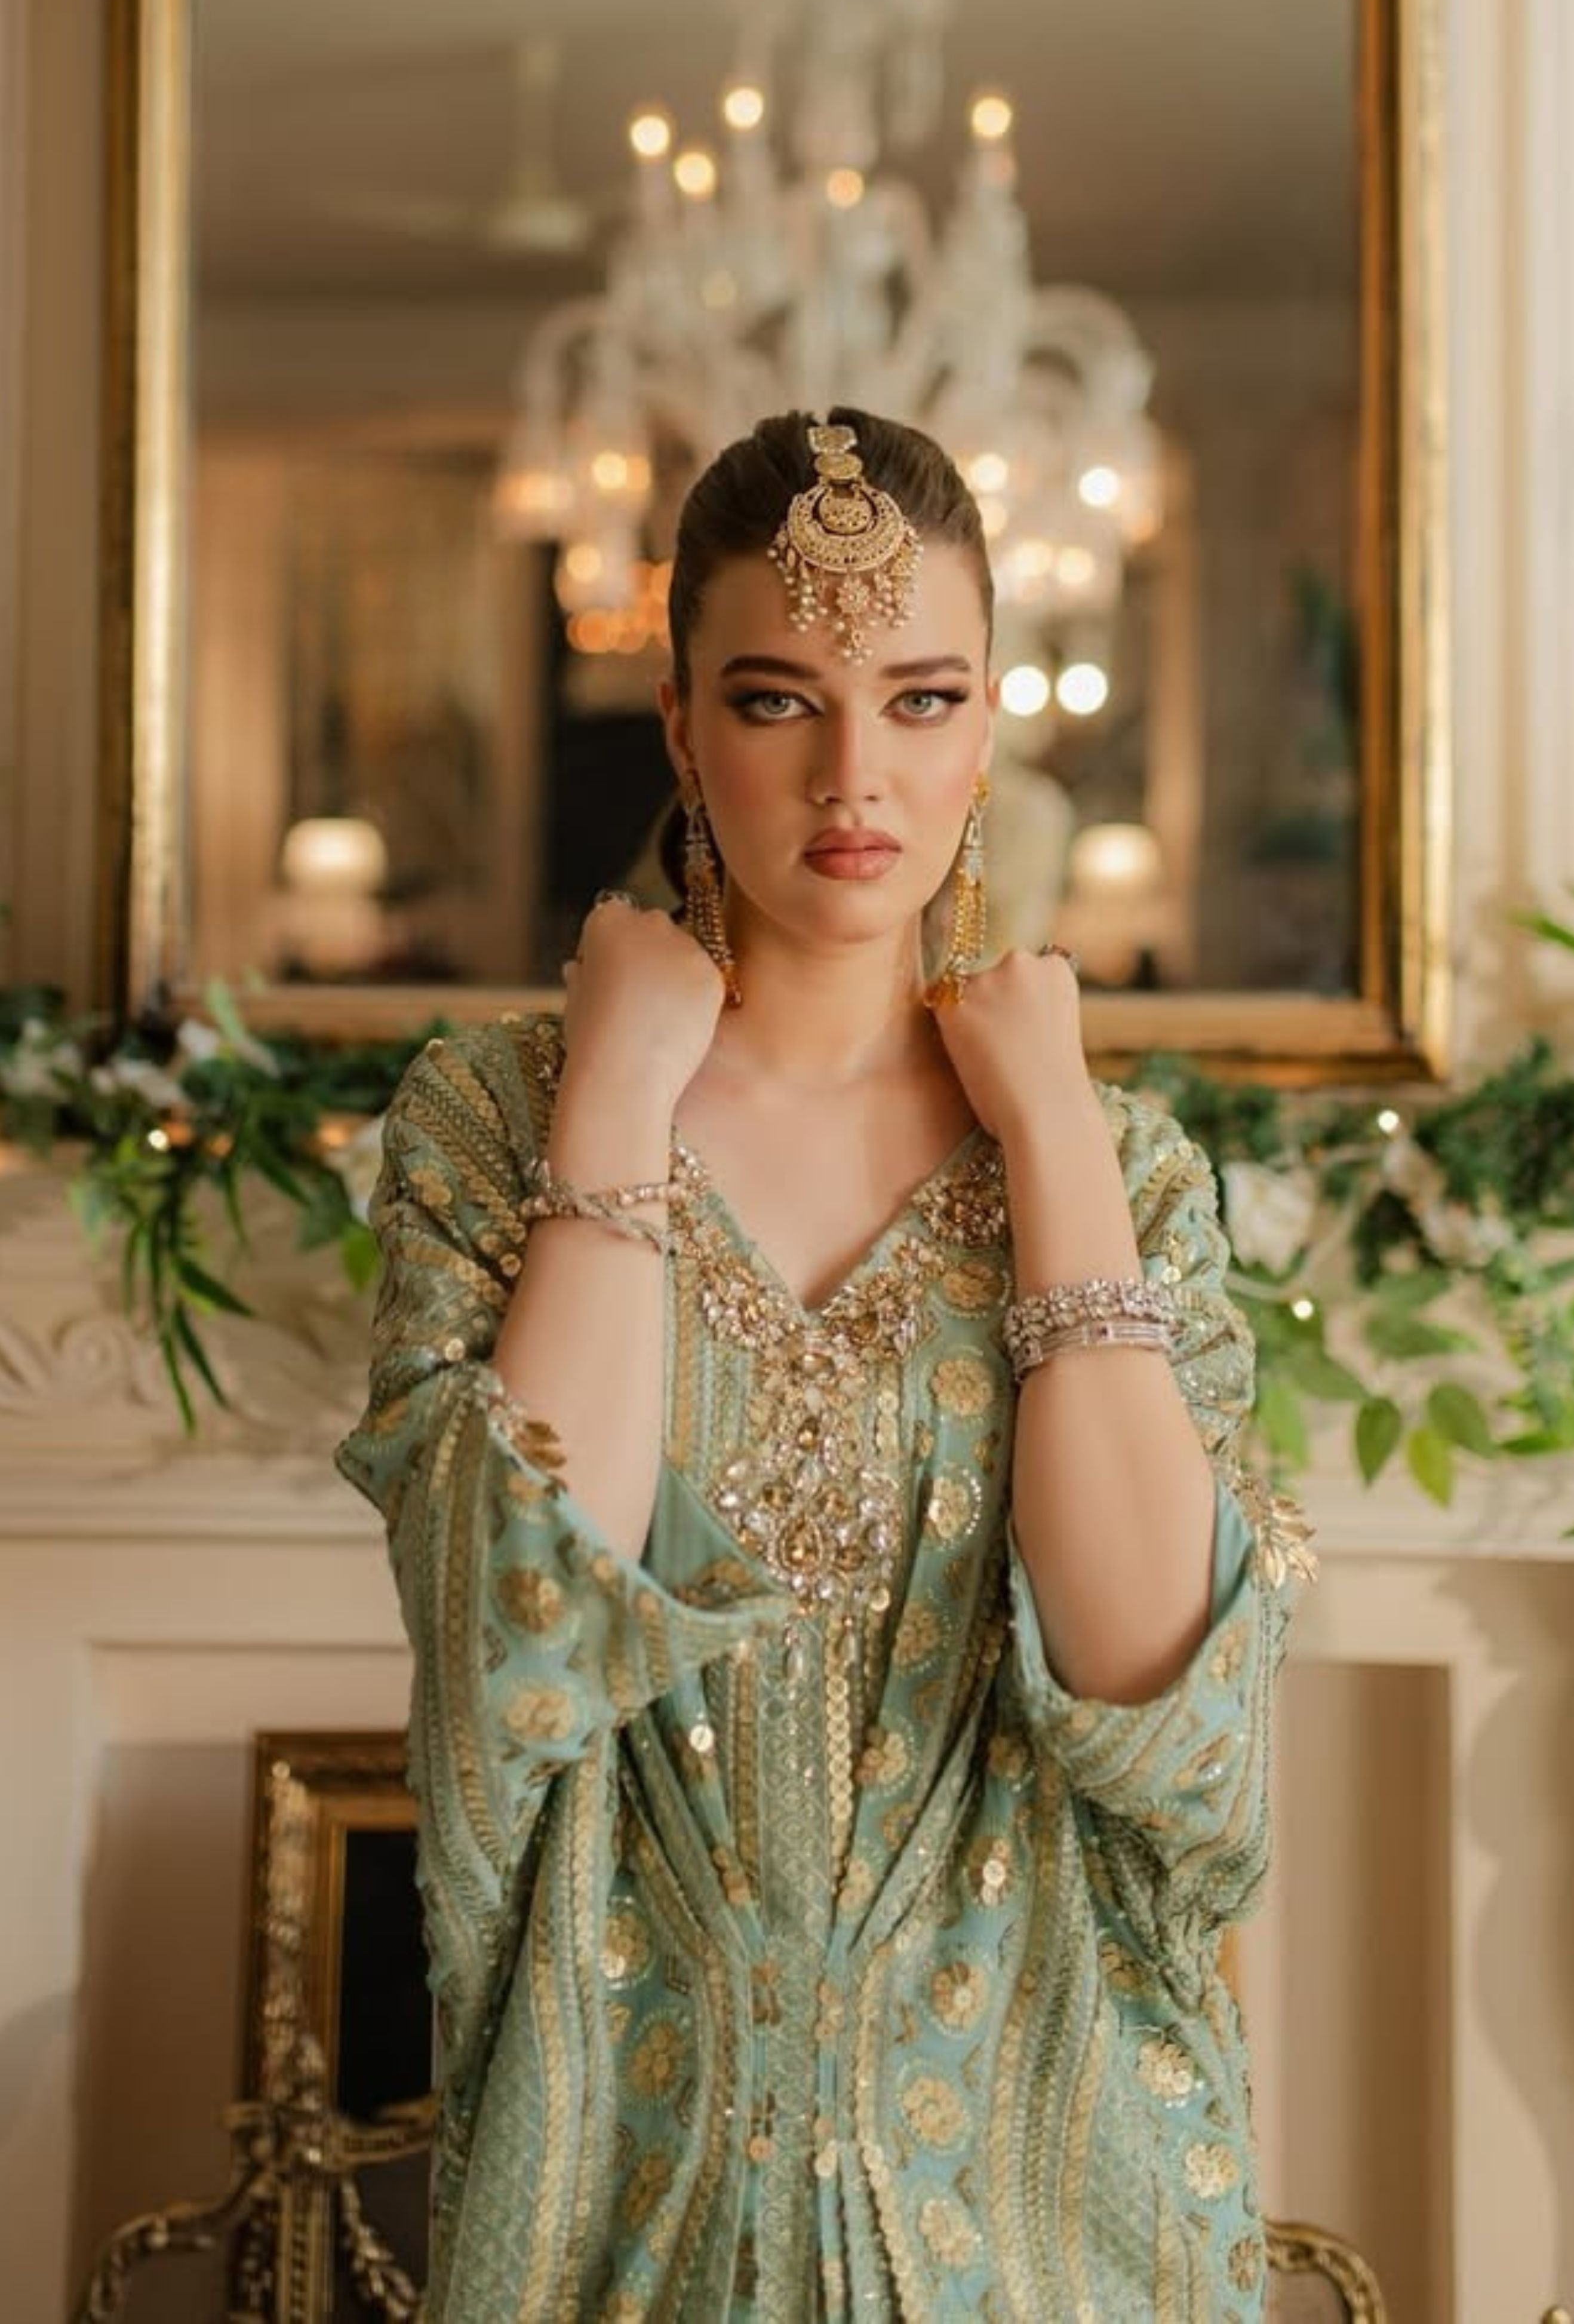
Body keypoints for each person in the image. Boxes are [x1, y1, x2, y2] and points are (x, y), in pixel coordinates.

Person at [337, 408, 1310, 2321]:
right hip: (621, 2177)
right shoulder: (488, 1124)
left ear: (989, 728)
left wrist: (1054, 1148)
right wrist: (614, 1092)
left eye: (922, 695)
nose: (856, 771)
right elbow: (521, 1634)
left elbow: (1156, 1696)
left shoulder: (1115, 1169)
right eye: (778, 701)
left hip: (1052, 2180)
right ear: (684, 728)